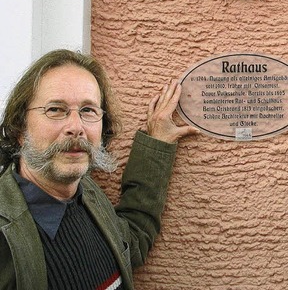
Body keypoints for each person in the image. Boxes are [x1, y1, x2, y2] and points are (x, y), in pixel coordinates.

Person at [0, 49, 199, 289]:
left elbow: (131, 243)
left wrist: (156, 143)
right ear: (20, 128)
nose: (76, 127)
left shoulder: (88, 196)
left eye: (88, 110)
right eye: (55, 109)